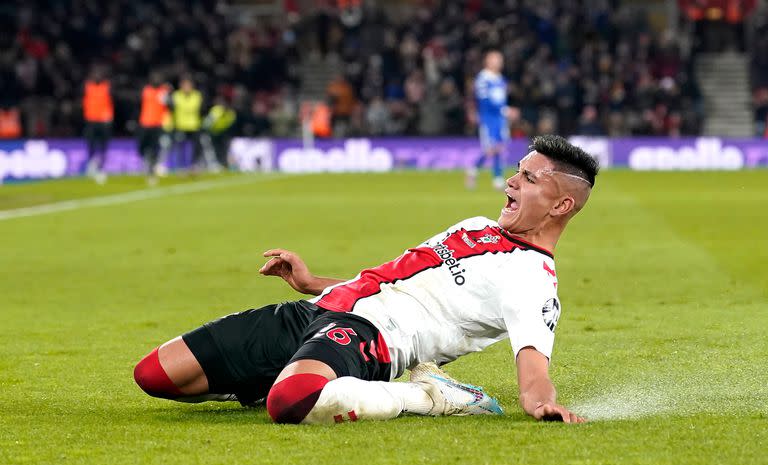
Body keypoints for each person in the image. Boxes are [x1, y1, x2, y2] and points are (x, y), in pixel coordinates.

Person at [134, 135, 598, 425]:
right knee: (155, 375)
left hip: (373, 339)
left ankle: (431, 396)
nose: (511, 182)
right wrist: (313, 282)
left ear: (561, 206)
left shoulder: (532, 279)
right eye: (517, 171)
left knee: (290, 401)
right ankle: (286, 372)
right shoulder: (477, 225)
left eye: (529, 178)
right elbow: (395, 283)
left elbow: (534, 371)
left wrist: (541, 404)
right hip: (320, 310)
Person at [466, 50, 510, 191]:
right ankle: (473, 169)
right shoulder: (483, 78)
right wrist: (504, 110)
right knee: (490, 148)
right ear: (488, 61)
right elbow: (484, 100)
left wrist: (504, 111)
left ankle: (497, 178)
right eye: (495, 59)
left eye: (500, 59)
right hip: (488, 118)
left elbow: (501, 99)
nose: (499, 62)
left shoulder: (501, 79)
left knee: (499, 147)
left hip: (500, 118)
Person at [137, 72, 171, 182]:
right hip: (144, 123)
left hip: (157, 124)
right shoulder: (146, 90)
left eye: (158, 77)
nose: (156, 79)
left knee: (153, 149)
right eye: (154, 77)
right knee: (142, 147)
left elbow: (169, 105)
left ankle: (151, 170)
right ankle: (146, 164)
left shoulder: (164, 91)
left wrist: (168, 95)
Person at [82, 68, 114, 184]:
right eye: (95, 73)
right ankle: (91, 165)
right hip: (91, 120)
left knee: (103, 146)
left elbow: (111, 102)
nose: (97, 76)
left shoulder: (107, 87)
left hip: (104, 121)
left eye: (99, 73)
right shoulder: (87, 86)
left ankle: (101, 168)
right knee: (91, 144)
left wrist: (109, 117)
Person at [170, 76, 203, 172]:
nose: (187, 87)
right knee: (179, 147)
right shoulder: (176, 95)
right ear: (181, 86)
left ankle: (194, 165)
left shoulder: (196, 95)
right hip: (180, 125)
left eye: (188, 85)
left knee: (196, 147)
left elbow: (194, 107)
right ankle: (180, 167)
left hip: (194, 125)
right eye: (185, 85)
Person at [201, 96, 236, 171]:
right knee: (213, 149)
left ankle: (224, 164)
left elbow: (229, 124)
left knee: (224, 149)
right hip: (213, 133)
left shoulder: (231, 113)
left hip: (223, 133)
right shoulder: (216, 110)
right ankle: (215, 164)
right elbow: (208, 122)